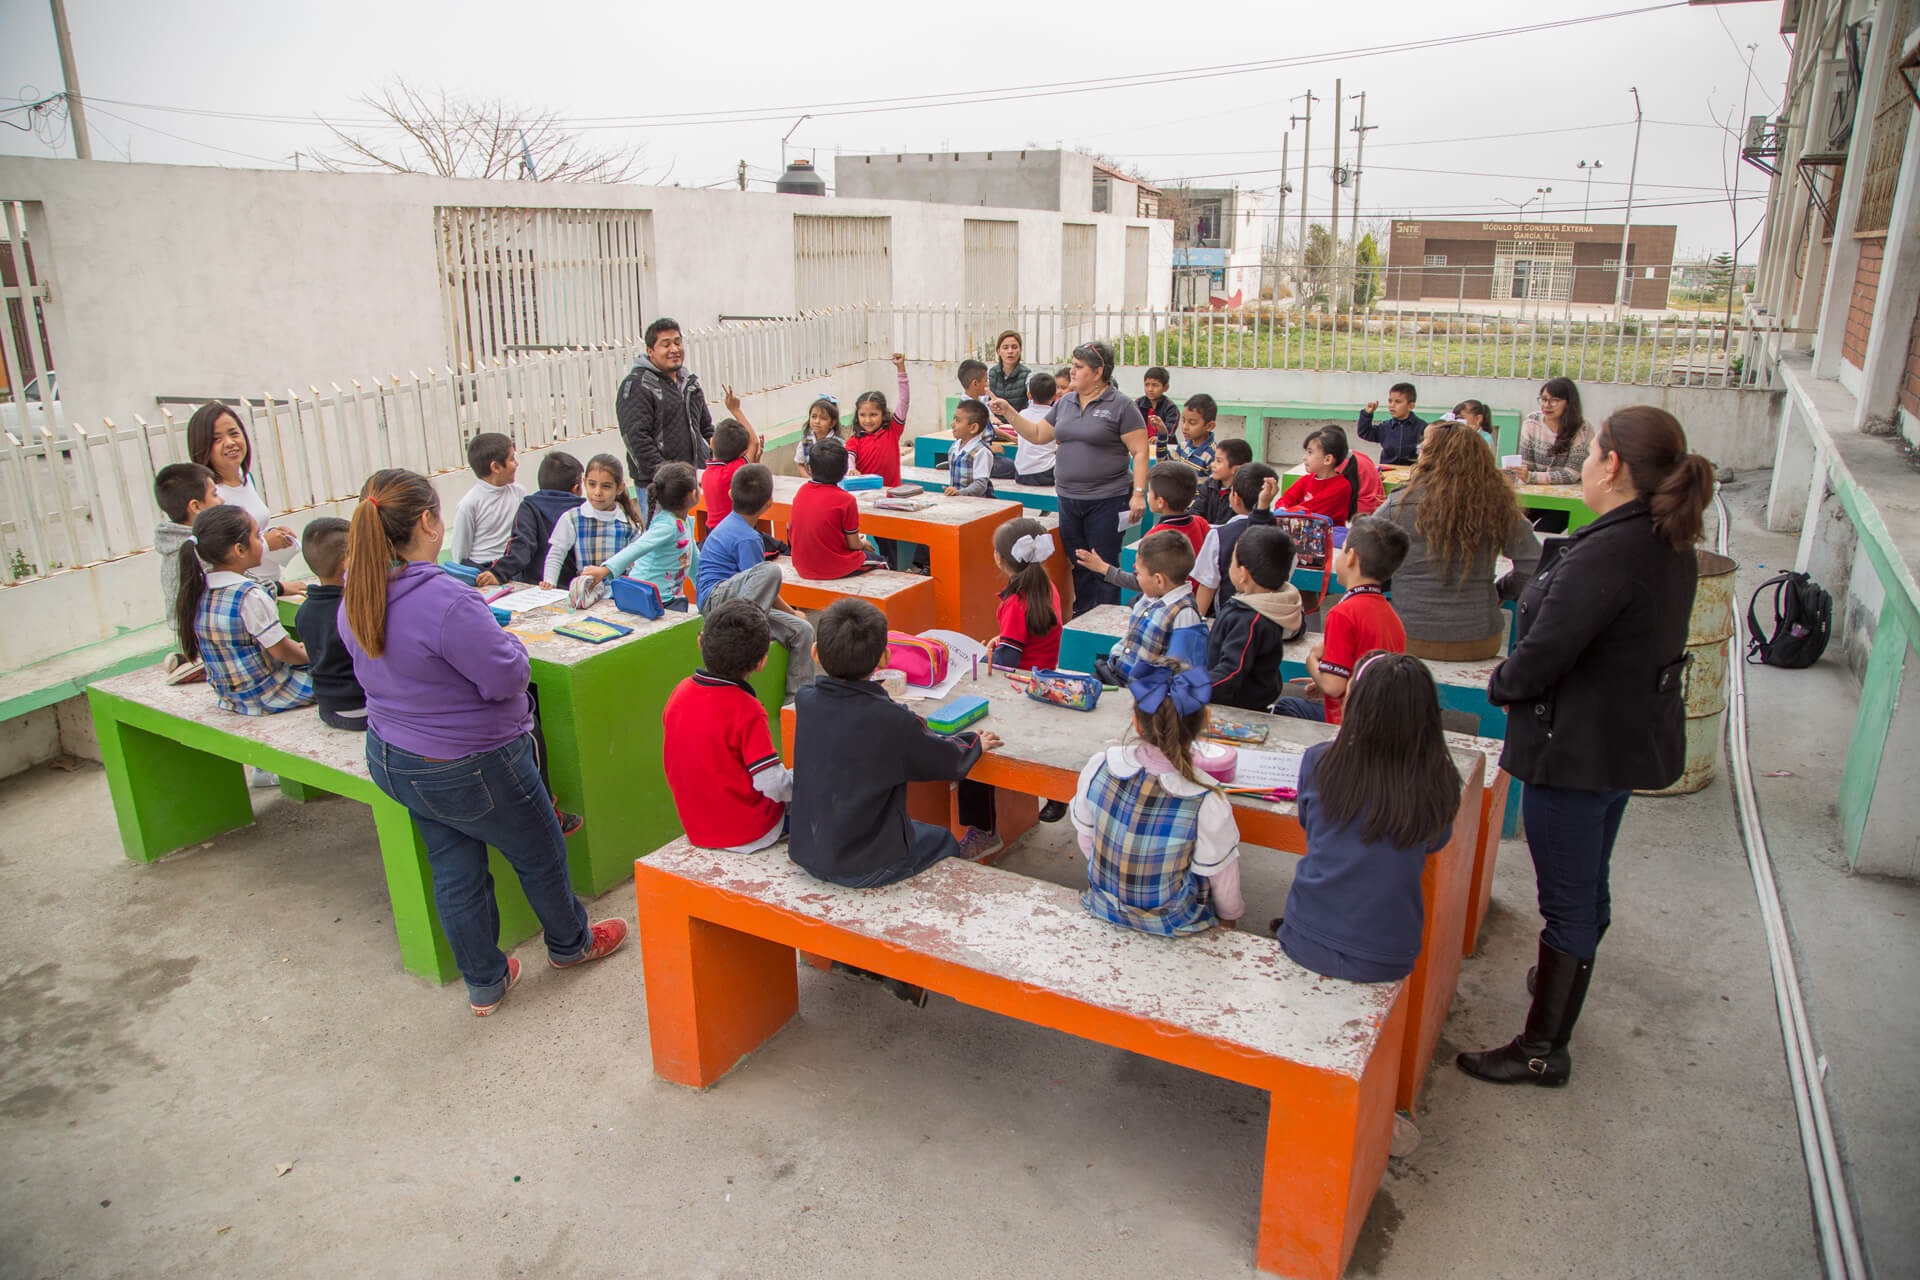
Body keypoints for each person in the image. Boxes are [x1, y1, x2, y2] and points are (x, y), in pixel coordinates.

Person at [1457, 406, 1712, 1089]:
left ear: (1613, 465)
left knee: (1568, 900)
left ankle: (1543, 1046)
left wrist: (1504, 682)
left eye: (1596, 450)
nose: (1591, 463)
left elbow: (1544, 653)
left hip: (1575, 752)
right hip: (1619, 743)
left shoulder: (1609, 552)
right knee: (1587, 883)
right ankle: (1562, 976)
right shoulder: (1666, 540)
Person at [340, 468, 626, 1016]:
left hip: (395, 756)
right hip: (472, 763)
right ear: (427, 521)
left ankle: (485, 982)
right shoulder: (447, 601)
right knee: (540, 852)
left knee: (453, 867)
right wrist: (509, 645)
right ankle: (571, 944)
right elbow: (506, 678)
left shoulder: (359, 591)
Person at [789, 598, 1006, 884]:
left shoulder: (806, 700)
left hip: (808, 850)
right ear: (884, 659)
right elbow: (945, 760)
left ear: (815, 653)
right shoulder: (891, 719)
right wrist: (974, 743)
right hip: (864, 865)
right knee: (943, 839)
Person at [1276, 653, 1460, 983]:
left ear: (1355, 705)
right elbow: (1437, 840)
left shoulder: (1319, 760)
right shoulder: (1438, 777)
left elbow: (1310, 824)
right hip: (1389, 951)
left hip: (1305, 934)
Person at [1070, 654, 1243, 934]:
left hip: (1104, 905)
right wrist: (1229, 919)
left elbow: (1087, 840)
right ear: (1205, 721)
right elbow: (1222, 880)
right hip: (1172, 922)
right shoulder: (1207, 800)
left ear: (1137, 724)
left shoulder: (1098, 767)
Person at [987, 340, 1152, 616]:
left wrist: (1138, 494)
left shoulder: (1121, 406)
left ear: (1098, 372)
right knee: (1077, 561)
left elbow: (1140, 450)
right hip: (1069, 498)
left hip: (1107, 500)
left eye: (1078, 367)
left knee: (1102, 563)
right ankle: (1083, 616)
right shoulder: (1065, 403)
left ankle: (1105, 620)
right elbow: (1039, 435)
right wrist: (1010, 413)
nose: (1071, 372)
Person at [1375, 423, 1541, 661]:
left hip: (1409, 635)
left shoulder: (1399, 504)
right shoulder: (1498, 504)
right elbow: (1534, 565)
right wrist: (1501, 591)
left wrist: (1394, 584)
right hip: (1480, 639)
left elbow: (1363, 554)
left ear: (1428, 457)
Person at [661, 599, 792, 852]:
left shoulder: (679, 692)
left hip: (697, 826)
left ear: (701, 642)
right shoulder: (747, 709)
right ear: (761, 662)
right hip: (748, 831)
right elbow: (772, 784)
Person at [175, 504, 313, 716]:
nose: (262, 542)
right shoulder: (249, 595)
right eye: (257, 537)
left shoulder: (199, 589)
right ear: (239, 550)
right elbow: (283, 652)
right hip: (269, 693)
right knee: (338, 672)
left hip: (230, 696)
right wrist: (311, 654)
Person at [1272, 516, 1409, 724]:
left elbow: (1334, 686)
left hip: (1349, 723)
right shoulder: (1391, 617)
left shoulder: (1343, 613)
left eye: (1343, 549)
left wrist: (1312, 664)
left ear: (1351, 557)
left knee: (1285, 706)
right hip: (1380, 720)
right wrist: (1325, 678)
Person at [695, 464, 816, 698]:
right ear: (769, 503)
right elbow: (761, 580)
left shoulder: (740, 529)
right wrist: (791, 611)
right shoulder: (746, 538)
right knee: (771, 571)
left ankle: (795, 702)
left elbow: (758, 591)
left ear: (731, 494)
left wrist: (793, 616)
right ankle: (746, 636)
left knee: (804, 630)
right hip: (717, 603)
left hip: (740, 602)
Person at [187, 401, 299, 596]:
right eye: (217, 439)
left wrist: (276, 535)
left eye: (234, 433)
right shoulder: (212, 498)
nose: (230, 442)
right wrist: (265, 542)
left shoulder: (245, 478)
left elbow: (248, 528)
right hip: (245, 595)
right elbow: (219, 556)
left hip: (268, 587)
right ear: (202, 446)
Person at [618, 317, 714, 513]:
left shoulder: (690, 383)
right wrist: (666, 475)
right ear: (650, 351)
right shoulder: (638, 385)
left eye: (677, 342)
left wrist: (715, 463)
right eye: (666, 344)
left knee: (694, 540)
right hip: (659, 488)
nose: (674, 349)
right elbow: (636, 439)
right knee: (664, 541)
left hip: (694, 482)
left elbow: (706, 427)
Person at [1207, 525, 1305, 712]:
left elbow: (1231, 672)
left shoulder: (1249, 619)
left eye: (1232, 561)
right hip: (1251, 698)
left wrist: (1194, 688)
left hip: (1235, 707)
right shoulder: (1279, 604)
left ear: (1243, 574)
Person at [1092, 529, 1206, 686]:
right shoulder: (1152, 593)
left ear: (1158, 579)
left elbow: (1181, 671)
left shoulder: (1184, 614)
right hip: (1112, 672)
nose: (1136, 576)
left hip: (1142, 689)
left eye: (1138, 573)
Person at [585, 461, 698, 608]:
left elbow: (695, 563)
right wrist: (605, 570)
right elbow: (637, 548)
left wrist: (707, 592)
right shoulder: (668, 526)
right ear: (693, 495)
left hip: (665, 597)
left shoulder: (685, 522)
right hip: (648, 597)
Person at [294, 517, 366, 731]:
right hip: (361, 709)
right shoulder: (352, 611)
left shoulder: (304, 610)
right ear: (347, 561)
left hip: (327, 707)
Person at [154, 461, 223, 678]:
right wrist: (277, 587)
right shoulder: (201, 549)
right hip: (210, 634)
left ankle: (190, 660)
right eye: (215, 494)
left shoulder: (173, 544)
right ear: (196, 507)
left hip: (188, 634)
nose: (221, 500)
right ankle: (207, 662)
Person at [541, 454, 641, 601]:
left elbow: (638, 563)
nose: (598, 492)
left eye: (606, 486)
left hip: (620, 599)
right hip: (584, 596)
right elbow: (556, 554)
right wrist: (549, 584)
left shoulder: (629, 525)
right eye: (592, 484)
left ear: (619, 488)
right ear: (584, 482)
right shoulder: (573, 518)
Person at [789, 438, 885, 580]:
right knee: (883, 562)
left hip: (801, 565)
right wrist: (863, 543)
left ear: (810, 468)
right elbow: (853, 544)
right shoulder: (846, 500)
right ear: (845, 470)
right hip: (833, 566)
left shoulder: (802, 491)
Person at [1193, 462, 1279, 617]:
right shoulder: (1282, 536)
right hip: (1272, 616)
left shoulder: (1219, 535)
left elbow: (1207, 585)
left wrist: (1197, 621)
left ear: (1235, 498)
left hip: (1229, 617)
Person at [1513, 377, 1593, 534]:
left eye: (1554, 400)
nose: (1546, 405)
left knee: (1544, 533)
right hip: (1535, 492)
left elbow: (1571, 474)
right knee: (1513, 529)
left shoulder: (1582, 428)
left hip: (1566, 497)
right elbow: (1526, 465)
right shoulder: (1531, 422)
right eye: (1543, 399)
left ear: (1569, 403)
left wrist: (1532, 477)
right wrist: (1524, 475)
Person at [496, 452, 583, 586]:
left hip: (535, 588)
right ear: (577, 488)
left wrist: (497, 573)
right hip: (575, 588)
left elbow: (521, 546)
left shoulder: (529, 507)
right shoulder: (583, 510)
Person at [449, 433, 523, 586]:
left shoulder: (519, 492)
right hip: (481, 571)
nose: (516, 464)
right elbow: (460, 552)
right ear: (495, 467)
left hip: (510, 566)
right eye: (511, 459)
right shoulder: (469, 503)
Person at [988, 517, 1062, 672]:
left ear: (999, 558)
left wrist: (981, 658)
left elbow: (1005, 662)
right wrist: (1003, 639)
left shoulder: (1016, 602)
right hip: (1044, 674)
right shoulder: (1047, 586)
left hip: (1020, 680)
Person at [846, 353, 912, 487]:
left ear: (883, 414)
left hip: (893, 494)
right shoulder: (854, 441)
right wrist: (851, 470)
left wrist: (901, 369)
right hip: (865, 493)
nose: (868, 420)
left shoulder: (892, 430)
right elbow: (849, 459)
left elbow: (904, 401)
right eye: (863, 415)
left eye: (873, 414)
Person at [1278, 426, 1361, 525]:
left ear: (1327, 459)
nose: (1304, 457)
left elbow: (1307, 515)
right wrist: (1282, 509)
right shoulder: (1306, 480)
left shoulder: (1341, 487)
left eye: (1310, 452)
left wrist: (1284, 512)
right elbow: (1285, 499)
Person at [701, 415, 765, 527]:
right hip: (736, 532)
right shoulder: (730, 472)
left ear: (711, 443)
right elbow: (754, 443)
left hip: (713, 532)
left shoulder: (707, 473)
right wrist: (735, 409)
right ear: (743, 454)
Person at [1356, 381, 1426, 467]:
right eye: (1390, 401)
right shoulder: (1385, 427)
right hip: (1388, 471)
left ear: (1411, 406)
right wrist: (1366, 414)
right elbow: (1364, 432)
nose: (1392, 405)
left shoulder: (1422, 427)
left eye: (1398, 402)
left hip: (1412, 473)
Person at [1012, 370, 1060, 487]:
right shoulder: (1056, 416)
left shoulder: (1022, 415)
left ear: (1029, 395)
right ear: (1055, 396)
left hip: (1021, 473)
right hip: (1045, 473)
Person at [1194, 438, 1252, 526]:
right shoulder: (1209, 485)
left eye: (1219, 461)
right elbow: (1196, 511)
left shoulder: (1242, 493)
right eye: (1214, 460)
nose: (1212, 465)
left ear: (1236, 469)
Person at [943, 401, 996, 498]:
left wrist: (960, 492)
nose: (952, 424)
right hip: (959, 500)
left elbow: (980, 485)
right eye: (953, 419)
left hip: (977, 503)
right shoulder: (954, 447)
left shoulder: (981, 451)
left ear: (973, 428)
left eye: (958, 421)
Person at [792, 396, 843, 481]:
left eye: (823, 418)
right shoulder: (806, 441)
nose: (817, 421)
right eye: (814, 416)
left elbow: (842, 469)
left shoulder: (838, 444)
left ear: (832, 422)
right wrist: (809, 479)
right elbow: (800, 464)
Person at [1169, 393, 1218, 478]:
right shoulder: (1182, 446)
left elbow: (1213, 487)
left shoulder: (1213, 455)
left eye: (1192, 423)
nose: (1185, 427)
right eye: (1183, 421)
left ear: (1209, 426)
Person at [1135, 366, 1179, 457]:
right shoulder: (1137, 404)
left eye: (1155, 385)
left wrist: (1159, 438)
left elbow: (1170, 431)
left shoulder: (1171, 408)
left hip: (1164, 449)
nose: (1150, 389)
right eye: (1147, 385)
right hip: (1142, 447)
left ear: (1165, 387)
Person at [986, 330, 1031, 412]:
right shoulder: (991, 373)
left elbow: (1032, 403)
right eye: (1005, 348)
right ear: (998, 351)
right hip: (995, 423)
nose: (1010, 351)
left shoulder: (1027, 375)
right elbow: (983, 400)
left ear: (1020, 350)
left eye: (1014, 347)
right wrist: (991, 416)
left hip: (1018, 422)